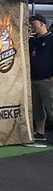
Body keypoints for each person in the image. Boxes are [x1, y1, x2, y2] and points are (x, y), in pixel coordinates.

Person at [29, 13, 53, 143]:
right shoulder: (32, 40)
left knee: (51, 107)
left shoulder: (51, 39)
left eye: (34, 25)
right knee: (37, 108)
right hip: (34, 79)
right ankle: (40, 132)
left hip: (47, 79)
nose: (32, 27)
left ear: (42, 24)